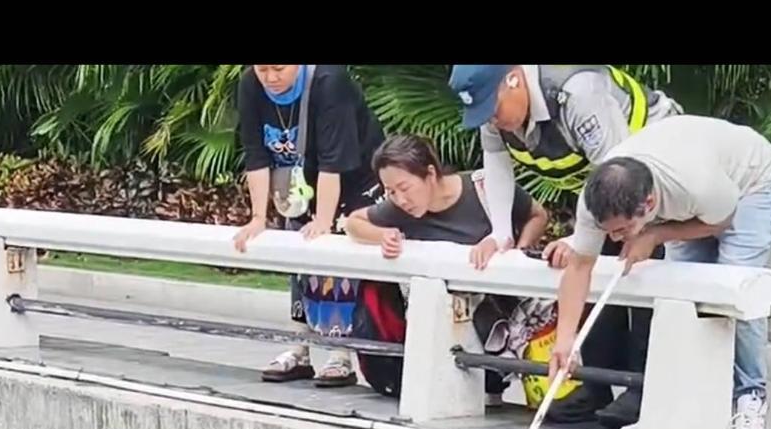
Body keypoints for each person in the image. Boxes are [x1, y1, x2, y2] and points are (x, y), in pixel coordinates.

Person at [448, 63, 679, 429]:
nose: (491, 120)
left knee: (638, 266)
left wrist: (578, 239)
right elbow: (496, 160)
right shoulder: (494, 110)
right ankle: (596, 383)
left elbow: (617, 174)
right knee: (591, 272)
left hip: (651, 175)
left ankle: (642, 385)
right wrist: (500, 232)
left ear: (513, 78)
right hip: (606, 186)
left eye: (493, 109)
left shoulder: (578, 93)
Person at [546, 114, 771, 429]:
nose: (614, 239)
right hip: (686, 192)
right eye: (608, 231)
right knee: (678, 293)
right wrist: (565, 340)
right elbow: (579, 266)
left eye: (621, 230)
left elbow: (719, 223)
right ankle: (678, 409)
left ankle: (750, 402)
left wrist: (655, 235)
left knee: (736, 285)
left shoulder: (695, 184)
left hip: (749, 184)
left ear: (648, 206)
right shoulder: (594, 199)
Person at [347, 131, 584, 407]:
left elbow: (537, 215)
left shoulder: (484, 188)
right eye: (390, 192)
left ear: (430, 174)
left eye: (404, 188)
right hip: (450, 325)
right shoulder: (399, 210)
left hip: (508, 314)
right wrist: (383, 236)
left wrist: (515, 252)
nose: (399, 199)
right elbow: (354, 222)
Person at [233, 64, 381, 385]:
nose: (271, 78)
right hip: (301, 182)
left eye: (279, 68)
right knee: (299, 261)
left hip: (353, 179)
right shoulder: (250, 84)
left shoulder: (330, 82)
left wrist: (324, 221)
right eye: (262, 68)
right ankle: (299, 347)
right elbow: (256, 155)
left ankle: (340, 353)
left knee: (334, 260)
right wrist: (258, 217)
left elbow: (333, 161)